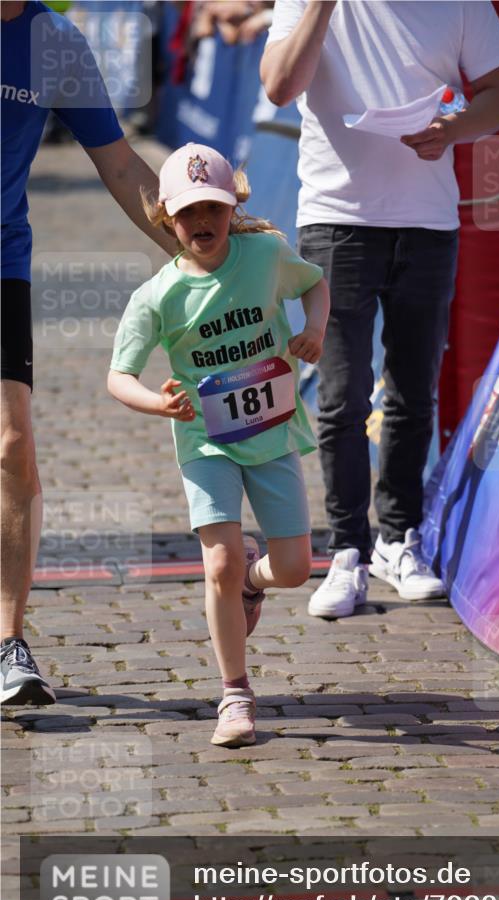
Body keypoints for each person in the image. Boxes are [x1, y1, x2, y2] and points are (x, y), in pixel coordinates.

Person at [260, 1, 499, 618]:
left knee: (412, 390)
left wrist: (452, 128)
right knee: (344, 395)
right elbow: (278, 86)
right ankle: (347, 548)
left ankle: (399, 539)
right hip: (337, 219)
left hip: (427, 221)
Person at [108, 142, 329, 748]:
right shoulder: (156, 296)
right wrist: (159, 402)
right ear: (166, 219)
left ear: (234, 209)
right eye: (188, 213)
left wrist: (313, 328)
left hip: (273, 431)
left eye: (214, 209)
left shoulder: (265, 255)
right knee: (220, 564)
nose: (202, 222)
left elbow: (314, 284)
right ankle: (235, 694)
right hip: (207, 441)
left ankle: (254, 583)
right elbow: (117, 376)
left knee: (294, 568)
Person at [0, 0, 178, 707]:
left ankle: (9, 643)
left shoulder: (57, 43)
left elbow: (122, 165)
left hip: (2, 263)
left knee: (13, 445)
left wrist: (203, 249)